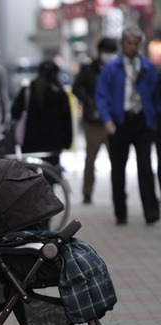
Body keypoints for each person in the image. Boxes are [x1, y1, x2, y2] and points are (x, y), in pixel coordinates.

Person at [95, 26, 160, 225]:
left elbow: (156, 96)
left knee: (145, 167)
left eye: (135, 43)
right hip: (119, 122)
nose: (132, 47)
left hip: (142, 122)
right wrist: (106, 119)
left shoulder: (148, 68)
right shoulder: (112, 68)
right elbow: (100, 95)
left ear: (140, 45)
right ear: (122, 44)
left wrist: (154, 120)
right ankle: (120, 212)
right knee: (118, 169)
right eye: (129, 43)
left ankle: (151, 212)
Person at [72, 37, 118, 204]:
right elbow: (76, 87)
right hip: (93, 121)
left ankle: (118, 193)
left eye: (111, 52)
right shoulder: (89, 69)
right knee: (90, 160)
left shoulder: (117, 68)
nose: (108, 55)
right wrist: (89, 100)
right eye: (106, 52)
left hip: (113, 120)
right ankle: (87, 193)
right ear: (100, 51)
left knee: (117, 160)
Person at [11, 60, 73, 181]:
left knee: (30, 180)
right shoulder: (60, 93)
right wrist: (67, 142)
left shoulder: (28, 90)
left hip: (30, 144)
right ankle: (47, 199)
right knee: (50, 179)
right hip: (53, 145)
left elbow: (15, 112)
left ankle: (32, 200)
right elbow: (67, 121)